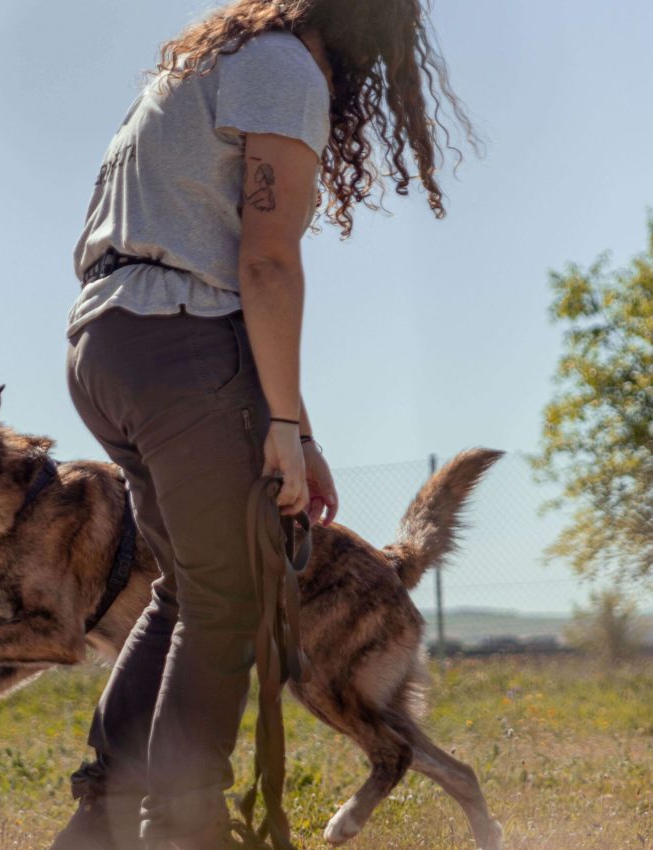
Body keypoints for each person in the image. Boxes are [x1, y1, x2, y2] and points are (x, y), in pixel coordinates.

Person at [54, 1, 475, 848]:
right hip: (182, 352)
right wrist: (278, 420)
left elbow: (235, 279)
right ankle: (182, 828)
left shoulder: (212, 63)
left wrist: (300, 431)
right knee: (229, 601)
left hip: (111, 346)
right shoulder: (284, 69)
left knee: (186, 593)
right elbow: (266, 260)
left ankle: (100, 818)